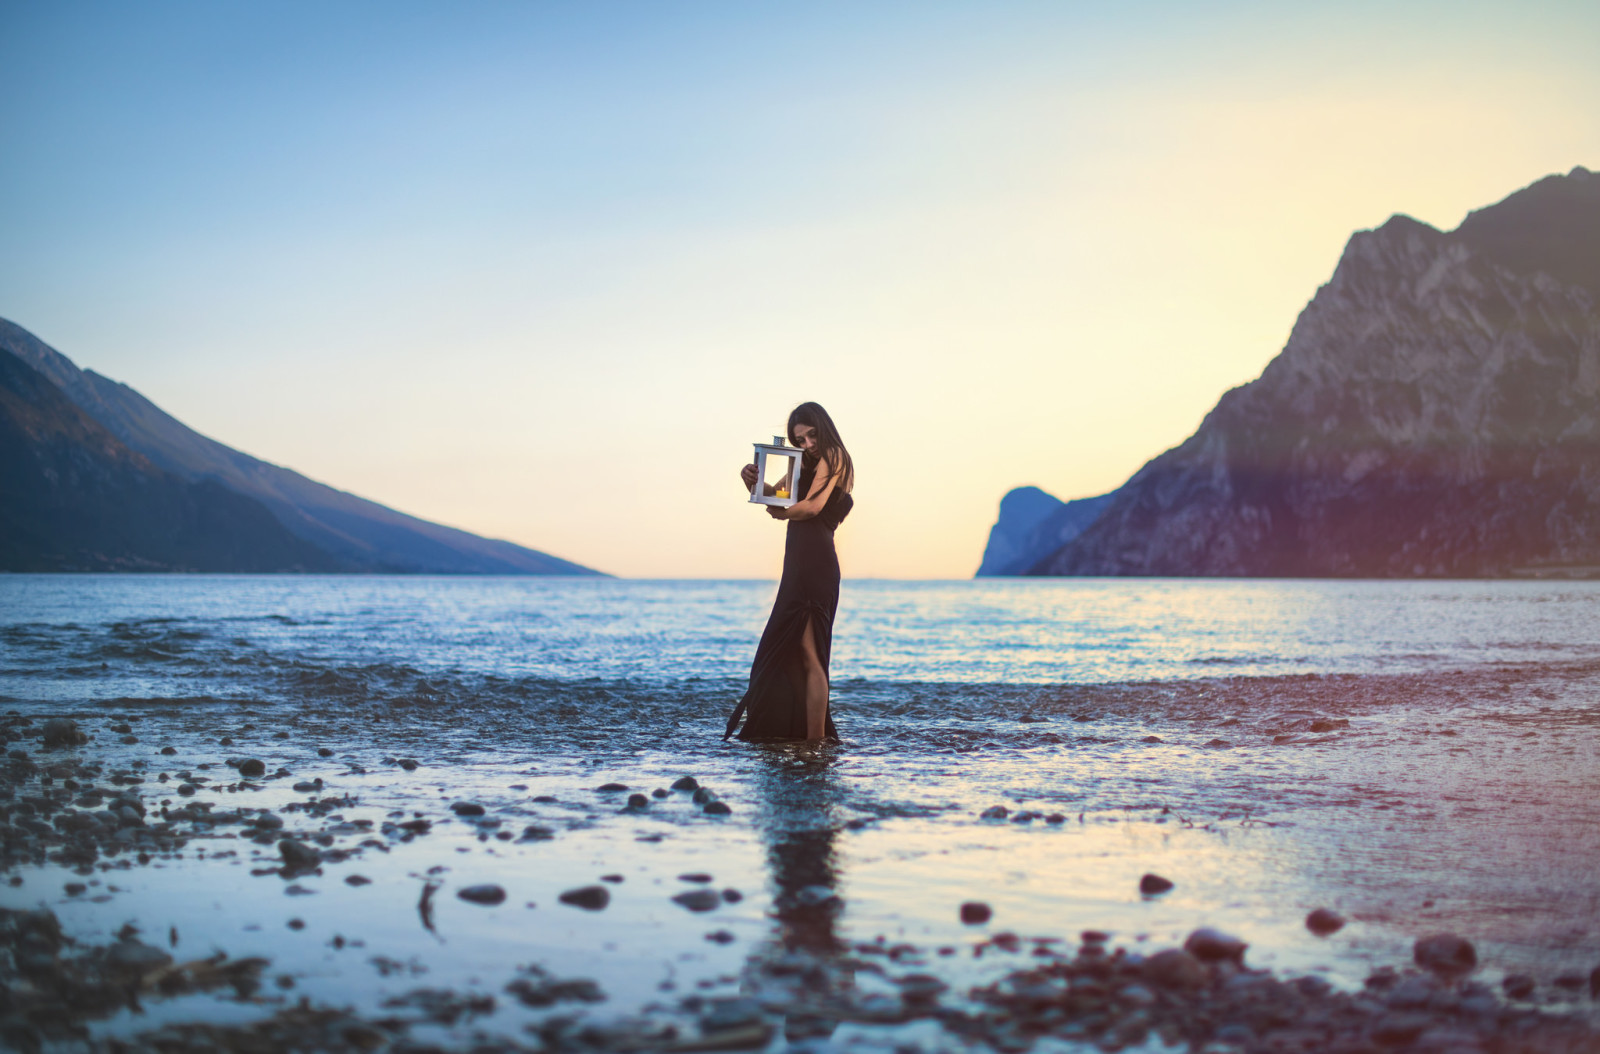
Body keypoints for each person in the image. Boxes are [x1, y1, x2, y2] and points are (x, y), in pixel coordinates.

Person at [725, 402, 854, 742]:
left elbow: (810, 508)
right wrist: (750, 482)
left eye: (812, 435)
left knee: (811, 656)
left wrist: (781, 513)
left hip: (815, 565)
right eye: (800, 440)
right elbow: (773, 499)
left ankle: (815, 742)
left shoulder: (835, 456)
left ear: (823, 428)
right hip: (796, 566)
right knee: (785, 652)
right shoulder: (803, 465)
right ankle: (798, 736)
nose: (809, 444)